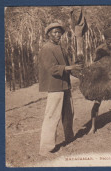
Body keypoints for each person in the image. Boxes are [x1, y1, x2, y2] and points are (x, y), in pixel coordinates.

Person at [38, 23, 83, 156]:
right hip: (55, 86)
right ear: (48, 34)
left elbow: (69, 66)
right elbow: (52, 69)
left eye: (59, 33)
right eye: (55, 32)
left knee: (68, 114)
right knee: (52, 116)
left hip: (65, 85)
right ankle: (45, 148)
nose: (57, 35)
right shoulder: (46, 48)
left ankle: (69, 137)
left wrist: (80, 72)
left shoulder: (61, 48)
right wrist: (71, 68)